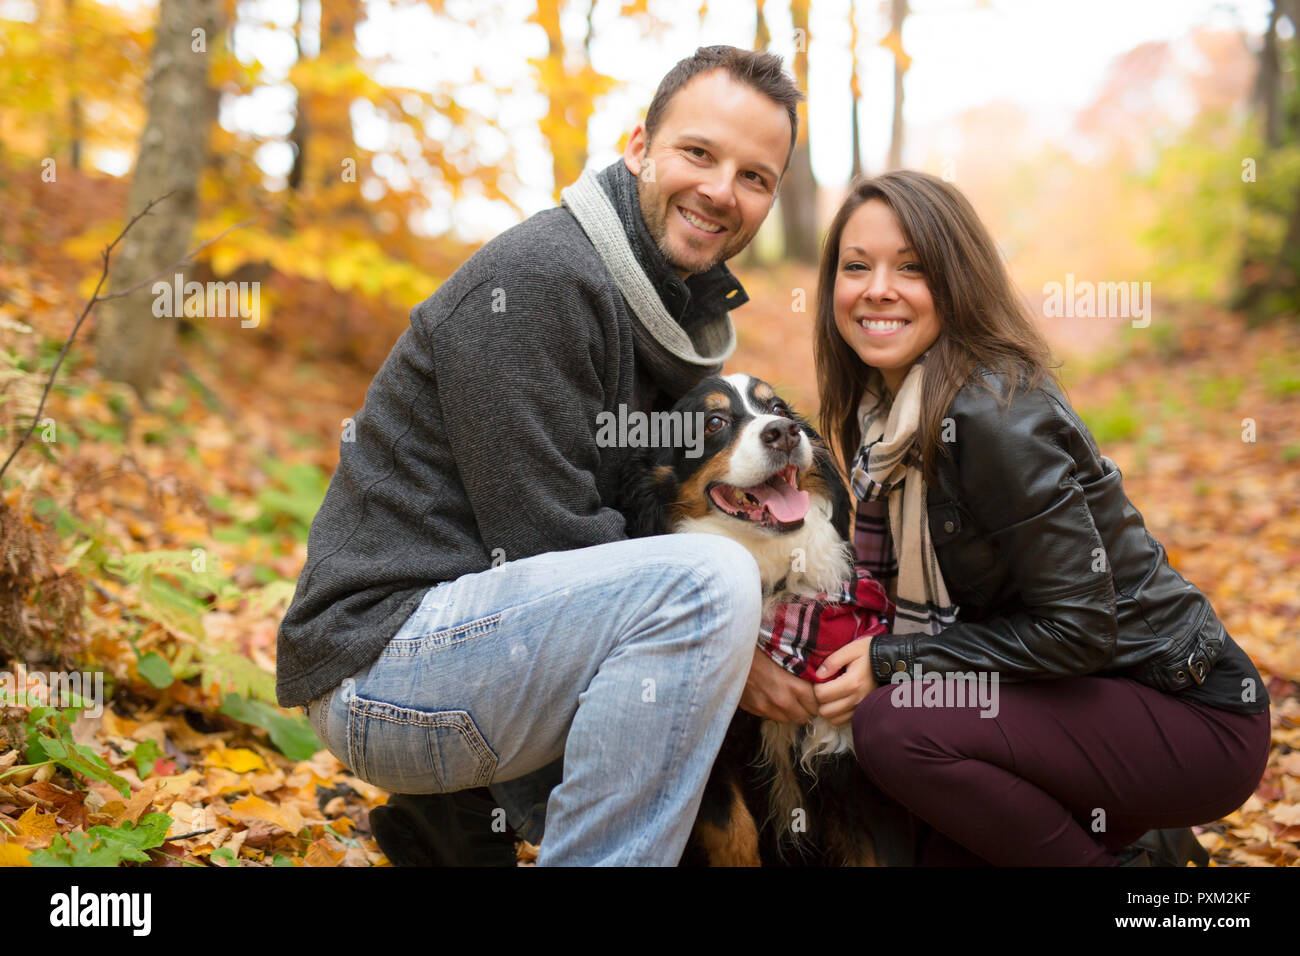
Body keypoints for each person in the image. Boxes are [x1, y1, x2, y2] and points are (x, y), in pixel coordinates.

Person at [274, 45, 823, 866]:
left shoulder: (667, 314)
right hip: (381, 672)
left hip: (476, 658)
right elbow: (547, 537)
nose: (721, 191)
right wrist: (733, 657)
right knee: (713, 581)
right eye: (699, 153)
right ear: (638, 147)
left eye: (755, 176)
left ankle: (457, 829)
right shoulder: (541, 279)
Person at [803, 169, 1272, 866]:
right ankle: (1143, 843)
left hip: (1190, 713)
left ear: (958, 282)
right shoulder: (886, 420)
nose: (877, 289)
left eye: (911, 268)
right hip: (1082, 700)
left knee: (898, 730)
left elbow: (1079, 631)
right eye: (856, 266)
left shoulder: (990, 416)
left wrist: (893, 660)